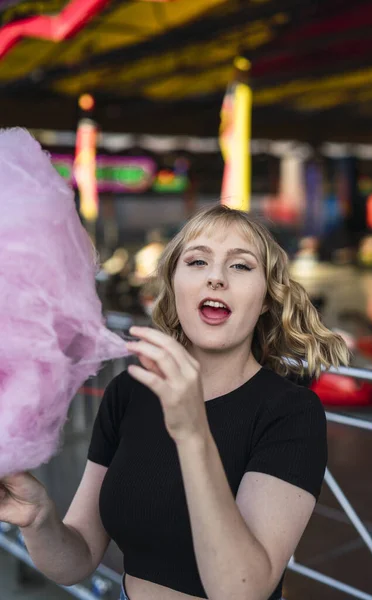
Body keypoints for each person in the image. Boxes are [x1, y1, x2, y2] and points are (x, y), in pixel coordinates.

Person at [0, 205, 349, 600]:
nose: (216, 277)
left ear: (267, 298)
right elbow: (77, 560)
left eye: (240, 267)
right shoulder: (129, 393)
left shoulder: (291, 412)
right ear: (173, 283)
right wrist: (38, 518)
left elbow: (242, 591)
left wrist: (193, 433)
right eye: (197, 261)